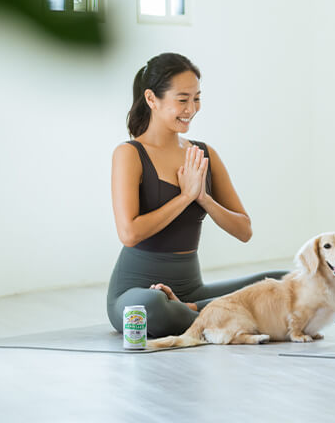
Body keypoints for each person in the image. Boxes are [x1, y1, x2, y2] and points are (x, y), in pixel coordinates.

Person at [106, 53, 287, 337]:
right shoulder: (130, 154)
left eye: (197, 98)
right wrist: (185, 197)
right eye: (182, 99)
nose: (191, 108)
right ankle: (214, 313)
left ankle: (191, 309)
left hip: (192, 290)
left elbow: (244, 230)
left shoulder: (204, 153)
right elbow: (129, 234)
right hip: (136, 292)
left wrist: (204, 198)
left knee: (283, 282)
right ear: (152, 99)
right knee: (150, 306)